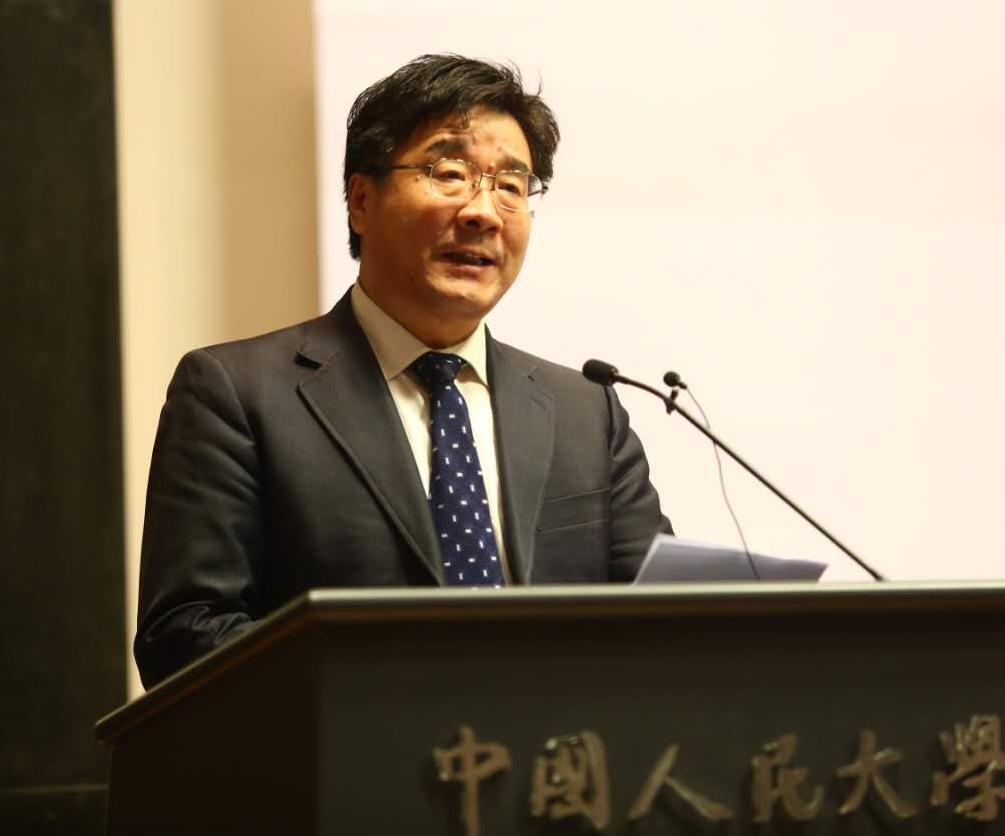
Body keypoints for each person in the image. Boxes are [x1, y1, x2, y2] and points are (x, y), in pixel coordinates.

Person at [134, 54, 670, 688]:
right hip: (349, 749)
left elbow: (661, 622)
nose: (484, 212)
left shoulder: (587, 411)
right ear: (361, 201)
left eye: (510, 185)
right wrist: (409, 702)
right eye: (450, 174)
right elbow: (187, 634)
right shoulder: (237, 393)